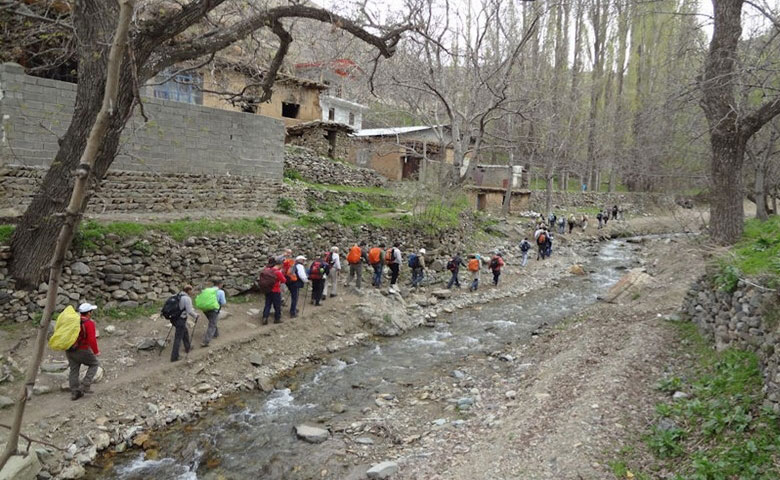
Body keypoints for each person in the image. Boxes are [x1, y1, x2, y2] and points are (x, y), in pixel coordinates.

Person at [67, 303, 101, 400]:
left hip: (70, 349)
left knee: (74, 370)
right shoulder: (89, 323)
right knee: (94, 364)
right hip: (82, 349)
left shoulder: (73, 321)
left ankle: (74, 391)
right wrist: (96, 351)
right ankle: (85, 386)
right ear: (89, 313)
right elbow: (92, 339)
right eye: (91, 311)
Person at [171, 285, 198, 362]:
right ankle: (174, 357)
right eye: (192, 290)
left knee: (184, 331)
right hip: (181, 319)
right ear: (188, 290)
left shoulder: (176, 295)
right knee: (178, 338)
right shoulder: (187, 298)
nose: (192, 292)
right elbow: (189, 311)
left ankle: (187, 347)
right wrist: (196, 316)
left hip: (174, 318)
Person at [201, 279, 226, 348]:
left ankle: (216, 334)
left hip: (205, 309)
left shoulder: (207, 290)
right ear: (220, 284)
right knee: (212, 324)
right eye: (222, 284)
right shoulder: (221, 292)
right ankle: (206, 341)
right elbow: (223, 303)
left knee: (213, 321)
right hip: (213, 310)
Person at [261, 257, 287, 325]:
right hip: (276, 290)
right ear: (280, 264)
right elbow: (284, 280)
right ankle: (277, 319)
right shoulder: (278, 272)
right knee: (277, 305)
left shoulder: (267, 270)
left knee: (267, 304)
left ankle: (265, 318)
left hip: (268, 290)